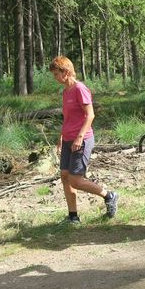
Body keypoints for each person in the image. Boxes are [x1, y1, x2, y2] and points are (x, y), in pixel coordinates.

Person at [49, 56, 118, 224]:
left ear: (65, 72)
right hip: (68, 139)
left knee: (75, 179)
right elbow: (67, 118)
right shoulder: (66, 91)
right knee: (65, 176)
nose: (55, 78)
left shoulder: (80, 88)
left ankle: (109, 195)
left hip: (82, 139)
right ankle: (73, 217)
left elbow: (90, 115)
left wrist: (79, 137)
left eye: (56, 73)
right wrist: (61, 137)